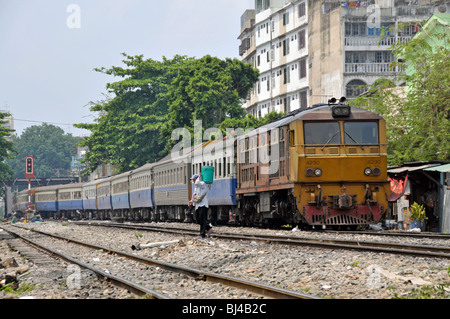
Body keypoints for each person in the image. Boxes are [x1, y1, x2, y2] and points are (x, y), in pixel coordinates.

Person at [188, 173, 212, 238]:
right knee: (198, 219)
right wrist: (191, 201)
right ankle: (209, 228)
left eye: (194, 179)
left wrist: (199, 177)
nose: (193, 181)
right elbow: (195, 195)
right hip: (198, 205)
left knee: (202, 219)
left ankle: (202, 235)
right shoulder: (196, 187)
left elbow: (197, 183)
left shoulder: (203, 184)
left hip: (203, 205)